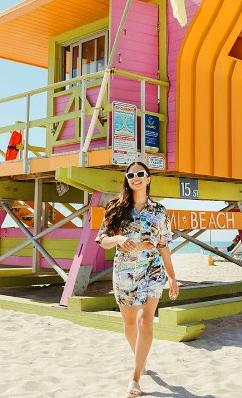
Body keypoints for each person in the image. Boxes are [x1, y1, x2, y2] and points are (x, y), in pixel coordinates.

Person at [95, 161, 178, 397]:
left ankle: (135, 378)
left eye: (141, 174)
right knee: (130, 324)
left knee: (146, 322)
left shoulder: (159, 211)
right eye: (131, 175)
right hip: (124, 272)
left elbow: (163, 246)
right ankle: (139, 361)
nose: (136, 178)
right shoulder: (115, 207)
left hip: (152, 269)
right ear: (127, 179)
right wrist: (119, 240)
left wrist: (172, 277)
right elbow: (102, 239)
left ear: (149, 178)